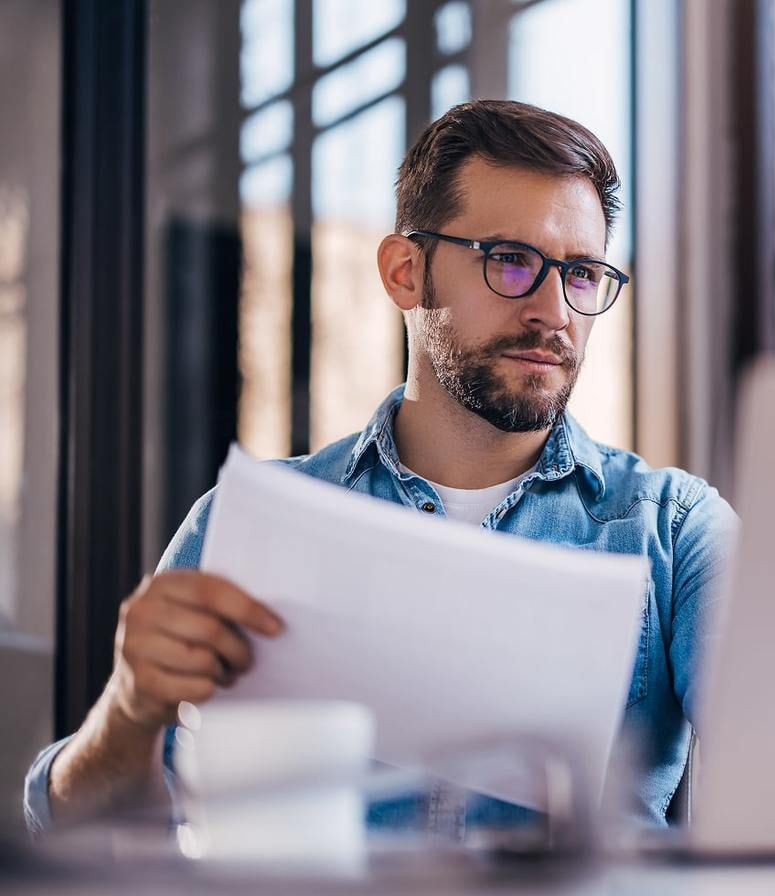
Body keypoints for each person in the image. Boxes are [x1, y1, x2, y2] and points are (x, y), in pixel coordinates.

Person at [24, 100, 736, 834]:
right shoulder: (249, 523)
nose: (554, 311)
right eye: (512, 261)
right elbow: (78, 831)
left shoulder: (676, 533)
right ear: (405, 273)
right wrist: (130, 708)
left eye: (582, 273)